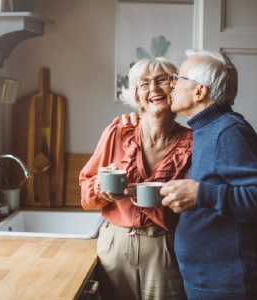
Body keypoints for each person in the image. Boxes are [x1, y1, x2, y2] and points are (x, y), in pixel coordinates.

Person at [159, 49, 257, 300]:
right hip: (213, 284)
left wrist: (200, 194)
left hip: (234, 288)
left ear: (199, 91)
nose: (171, 84)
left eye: (178, 77)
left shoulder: (229, 131)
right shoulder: (205, 129)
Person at [79, 57, 192, 300]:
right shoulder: (117, 132)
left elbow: (196, 203)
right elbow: (85, 193)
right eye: (144, 84)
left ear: (175, 87)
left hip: (165, 245)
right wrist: (101, 189)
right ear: (136, 95)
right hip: (115, 245)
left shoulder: (192, 142)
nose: (153, 89)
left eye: (162, 80)